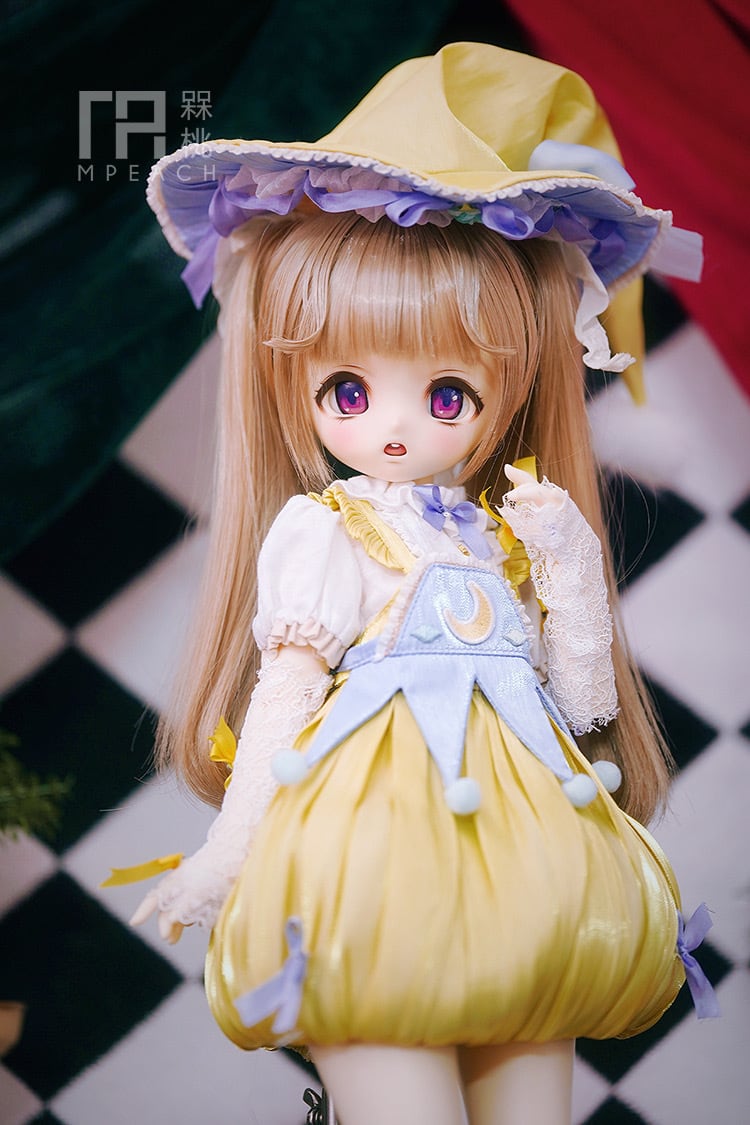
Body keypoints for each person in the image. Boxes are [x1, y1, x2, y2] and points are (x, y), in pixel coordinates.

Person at [126, 43, 716, 1125]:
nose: (394, 428)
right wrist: (229, 848)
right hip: (373, 874)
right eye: (347, 390)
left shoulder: (504, 532)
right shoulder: (324, 533)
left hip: (528, 874)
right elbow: (284, 695)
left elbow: (582, 700)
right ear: (294, 381)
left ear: (512, 389)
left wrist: (569, 564)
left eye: (449, 397)